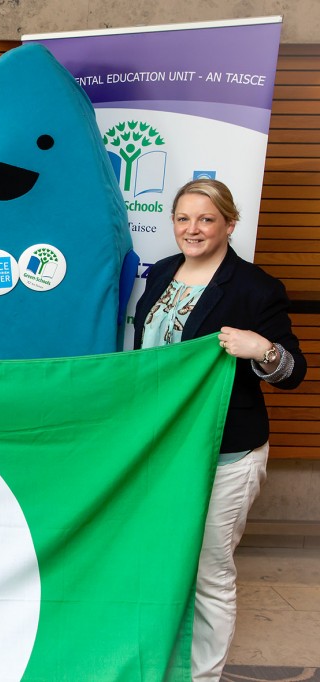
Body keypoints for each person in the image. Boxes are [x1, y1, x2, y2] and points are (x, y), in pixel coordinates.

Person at [132, 179, 306, 681]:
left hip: (225, 452)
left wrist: (262, 350)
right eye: (183, 219)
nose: (193, 229)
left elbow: (294, 373)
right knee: (163, 560)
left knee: (210, 572)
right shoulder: (162, 273)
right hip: (161, 449)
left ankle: (203, 676)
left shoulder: (257, 288)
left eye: (206, 219)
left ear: (230, 224)